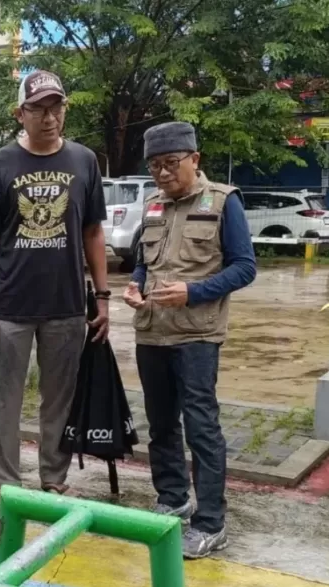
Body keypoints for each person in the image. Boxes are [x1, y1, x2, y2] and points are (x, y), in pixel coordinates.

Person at [0, 70, 110, 507]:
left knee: (60, 401)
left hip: (66, 305)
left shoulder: (84, 161)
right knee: (5, 401)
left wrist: (102, 298)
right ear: (20, 113)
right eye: (39, 108)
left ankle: (54, 476)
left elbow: (92, 232)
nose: (49, 117)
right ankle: (6, 483)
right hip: (9, 305)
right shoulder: (0, 164)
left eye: (56, 107)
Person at [123, 121, 256, 559]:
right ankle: (173, 498)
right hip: (152, 333)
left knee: (201, 427)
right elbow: (144, 262)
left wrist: (193, 292)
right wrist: (135, 287)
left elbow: (244, 267)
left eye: (171, 164)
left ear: (194, 159)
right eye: (155, 166)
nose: (162, 174)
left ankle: (210, 523)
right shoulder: (153, 207)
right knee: (160, 424)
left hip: (197, 335)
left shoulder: (223, 202)